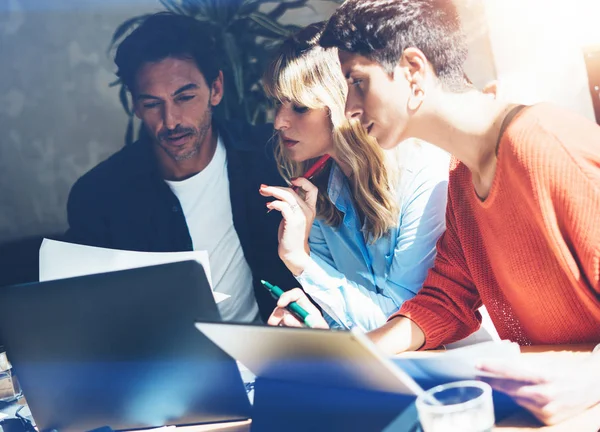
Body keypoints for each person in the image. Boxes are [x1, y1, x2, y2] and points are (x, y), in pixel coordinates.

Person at [270, 0, 600, 425]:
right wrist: (350, 359)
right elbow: (445, 301)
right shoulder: (462, 178)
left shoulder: (547, 145)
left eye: (358, 82)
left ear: (413, 71)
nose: (349, 108)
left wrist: (592, 380)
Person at [64, 12, 298, 323]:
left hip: (278, 355)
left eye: (184, 97)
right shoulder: (99, 196)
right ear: (134, 104)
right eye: (151, 104)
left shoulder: (273, 156)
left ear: (215, 89)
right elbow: (88, 315)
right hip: (166, 365)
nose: (171, 120)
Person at [258, 22, 449, 331]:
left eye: (300, 107)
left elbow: (402, 321)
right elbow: (351, 321)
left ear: (339, 102)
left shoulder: (423, 174)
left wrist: (301, 261)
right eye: (277, 103)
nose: (279, 121)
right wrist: (319, 325)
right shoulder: (315, 194)